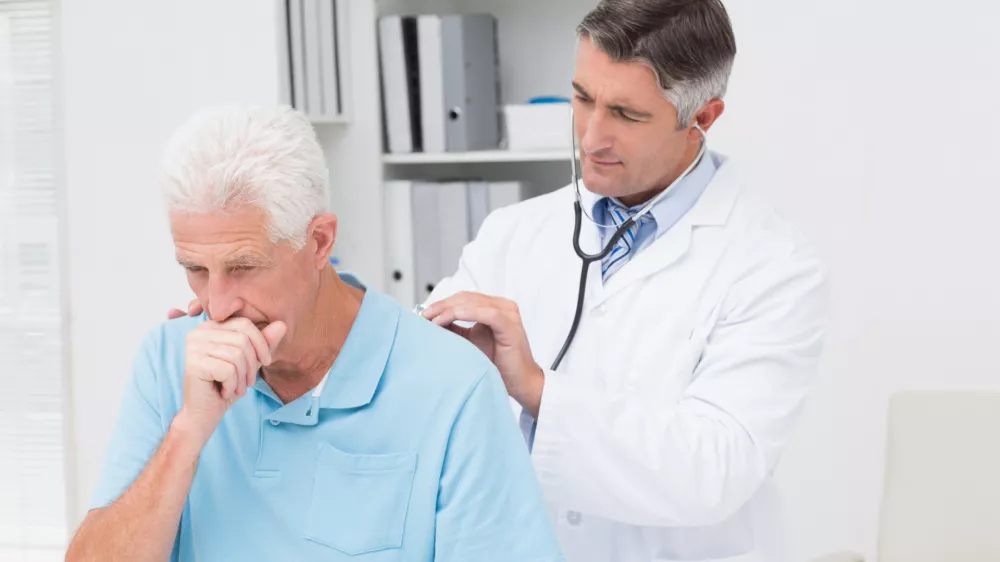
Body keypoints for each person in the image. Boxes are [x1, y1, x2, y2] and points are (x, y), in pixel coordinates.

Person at [172, 1, 827, 559]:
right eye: (581, 98)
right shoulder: (516, 233)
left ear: (703, 119)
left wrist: (536, 390)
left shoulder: (771, 267)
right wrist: (269, 326)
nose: (590, 135)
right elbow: (410, 370)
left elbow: (714, 470)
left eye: (626, 115)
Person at [66, 106, 563, 562]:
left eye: (243, 267)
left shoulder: (451, 384)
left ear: (319, 241)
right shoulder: (167, 360)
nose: (216, 306)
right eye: (196, 268)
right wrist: (187, 434)